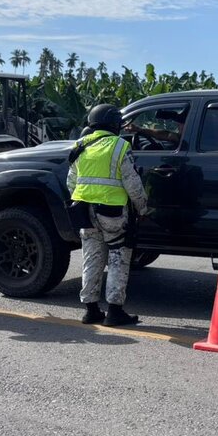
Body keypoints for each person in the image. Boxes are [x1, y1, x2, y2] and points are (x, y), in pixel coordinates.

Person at [67, 103, 150, 326]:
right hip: (112, 212)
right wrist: (142, 208)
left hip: (84, 211)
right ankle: (114, 312)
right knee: (118, 259)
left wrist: (83, 198)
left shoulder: (81, 144)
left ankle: (91, 310)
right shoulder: (119, 146)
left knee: (92, 258)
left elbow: (71, 181)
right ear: (114, 124)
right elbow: (132, 183)